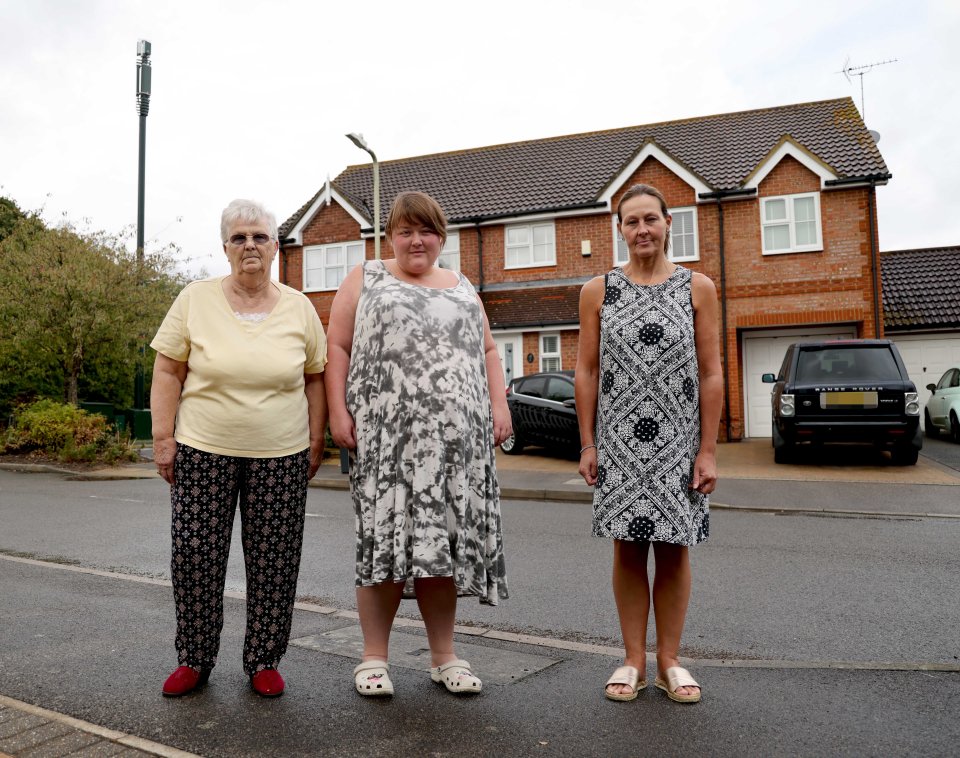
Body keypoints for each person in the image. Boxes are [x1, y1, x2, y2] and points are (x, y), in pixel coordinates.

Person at [325, 190, 511, 697]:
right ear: (390, 236)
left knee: (440, 548)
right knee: (384, 540)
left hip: (457, 446)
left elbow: (489, 350)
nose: (416, 240)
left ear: (440, 237)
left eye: (426, 231)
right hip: (388, 441)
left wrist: (499, 405)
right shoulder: (367, 277)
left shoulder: (462, 285)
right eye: (405, 231)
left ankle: (444, 657)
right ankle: (373, 658)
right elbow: (337, 345)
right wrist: (339, 411)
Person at [151, 198, 328, 698]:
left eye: (259, 236)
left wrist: (316, 439)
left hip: (282, 453)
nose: (250, 245)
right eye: (239, 237)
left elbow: (315, 377)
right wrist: (163, 438)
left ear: (275, 245)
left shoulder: (299, 307)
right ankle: (195, 658)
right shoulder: (194, 298)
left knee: (275, 560)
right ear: (225, 246)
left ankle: (264, 660)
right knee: (195, 558)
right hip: (202, 449)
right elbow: (167, 371)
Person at [575, 183, 722, 704]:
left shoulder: (696, 288)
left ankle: (670, 662)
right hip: (619, 443)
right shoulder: (599, 290)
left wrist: (707, 449)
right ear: (619, 229)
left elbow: (710, 372)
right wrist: (587, 443)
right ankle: (633, 660)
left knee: (676, 551)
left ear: (668, 224)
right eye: (631, 221)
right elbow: (587, 370)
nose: (641, 229)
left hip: (678, 444)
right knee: (628, 550)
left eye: (650, 220)